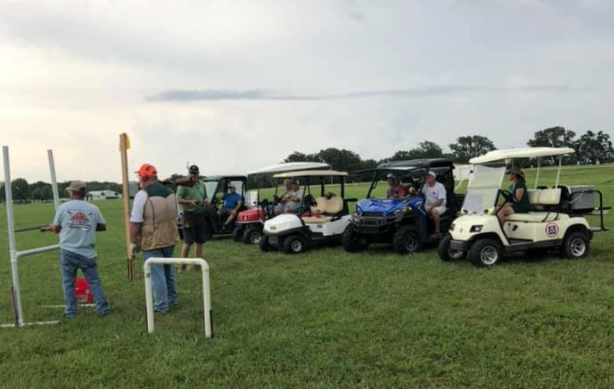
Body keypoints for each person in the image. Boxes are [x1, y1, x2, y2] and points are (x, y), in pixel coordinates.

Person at [51, 180, 109, 318]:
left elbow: (56, 230)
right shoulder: (93, 208)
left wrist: (66, 225)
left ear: (72, 191)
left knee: (68, 283)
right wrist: (85, 225)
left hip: (68, 251)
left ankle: (70, 312)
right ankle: (103, 310)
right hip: (87, 252)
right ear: (84, 192)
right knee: (94, 281)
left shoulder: (63, 207)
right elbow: (102, 226)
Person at [130, 163, 180, 313]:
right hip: (170, 237)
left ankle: (161, 306)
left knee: (157, 274)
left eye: (139, 176)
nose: (139, 179)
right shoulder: (171, 193)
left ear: (144, 177)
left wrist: (132, 242)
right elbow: (177, 215)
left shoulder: (142, 195)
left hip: (151, 240)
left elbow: (136, 221)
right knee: (168, 270)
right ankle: (172, 299)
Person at [176, 165, 208, 272]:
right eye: (192, 173)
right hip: (188, 214)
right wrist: (190, 202)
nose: (193, 175)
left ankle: (197, 265)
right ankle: (182, 266)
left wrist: (206, 200)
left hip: (200, 214)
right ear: (189, 173)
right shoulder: (183, 185)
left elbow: (205, 197)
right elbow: (178, 199)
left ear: (198, 174)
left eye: (195, 173)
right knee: (188, 241)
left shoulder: (202, 184)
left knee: (200, 241)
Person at [422, 171, 447, 236]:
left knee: (434, 211)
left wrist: (430, 209)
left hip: (440, 206)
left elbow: (440, 201)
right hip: (427, 206)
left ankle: (437, 231)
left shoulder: (440, 186)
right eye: (426, 177)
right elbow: (419, 193)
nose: (427, 178)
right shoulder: (425, 186)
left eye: (429, 177)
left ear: (434, 178)